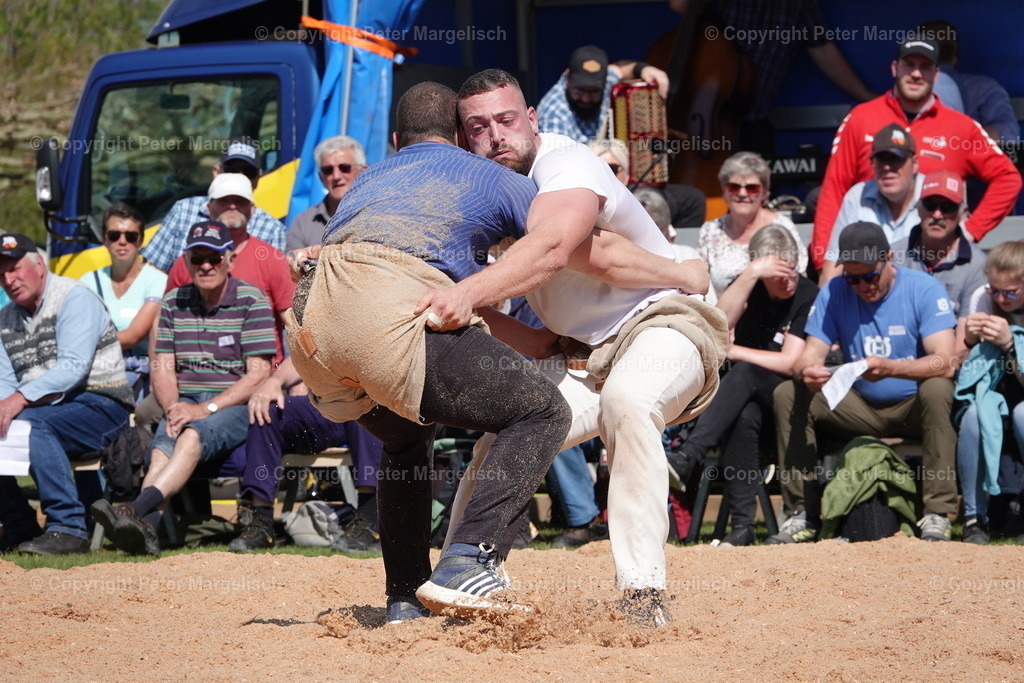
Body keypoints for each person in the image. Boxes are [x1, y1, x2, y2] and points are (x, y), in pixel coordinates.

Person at [424, 69, 725, 627]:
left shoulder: (567, 165)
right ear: (465, 138)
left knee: (629, 404)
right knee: (509, 435)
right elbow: (488, 303)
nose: (496, 136)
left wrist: (683, 274)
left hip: (667, 321)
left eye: (507, 120)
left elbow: (565, 250)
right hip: (584, 351)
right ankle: (465, 573)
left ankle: (643, 594)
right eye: (479, 126)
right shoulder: (482, 192)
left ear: (533, 120)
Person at [91, 222, 275, 556]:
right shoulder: (174, 301)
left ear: (229, 260)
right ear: (187, 262)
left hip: (233, 405)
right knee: (162, 446)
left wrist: (205, 409)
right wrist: (174, 406)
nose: (206, 265)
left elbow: (259, 374)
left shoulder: (253, 300)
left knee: (190, 435)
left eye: (214, 258)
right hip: (185, 400)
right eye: (198, 257)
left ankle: (134, 508)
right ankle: (146, 528)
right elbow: (162, 365)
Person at [771, 222, 958, 544]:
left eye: (870, 276)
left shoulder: (923, 289)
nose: (862, 286)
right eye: (853, 278)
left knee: (938, 387)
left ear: (889, 258)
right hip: (858, 406)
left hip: (913, 406)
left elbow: (945, 362)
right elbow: (808, 354)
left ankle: (938, 514)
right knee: (788, 392)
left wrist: (892, 369)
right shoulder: (834, 290)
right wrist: (807, 372)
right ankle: (801, 513)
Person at [811, 35, 1021, 270]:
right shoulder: (860, 119)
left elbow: (1008, 178)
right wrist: (822, 260)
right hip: (865, 266)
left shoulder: (961, 127)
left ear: (936, 74)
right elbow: (834, 188)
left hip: (931, 268)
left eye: (926, 67)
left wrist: (970, 231)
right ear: (894, 68)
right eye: (909, 65)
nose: (916, 74)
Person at [669, 226, 817, 546]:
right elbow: (719, 321)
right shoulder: (752, 286)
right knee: (743, 415)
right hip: (749, 402)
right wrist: (750, 274)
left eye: (792, 270)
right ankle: (742, 527)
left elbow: (791, 362)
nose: (788, 279)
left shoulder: (808, 294)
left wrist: (734, 351)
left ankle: (689, 455)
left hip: (791, 400)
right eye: (778, 273)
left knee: (745, 372)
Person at [0, 233, 133, 555]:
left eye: (16, 268)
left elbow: (73, 368)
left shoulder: (75, 297)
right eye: (1, 273)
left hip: (103, 404)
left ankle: (68, 526)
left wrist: (17, 402)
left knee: (30, 424)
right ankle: (19, 525)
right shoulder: (5, 319)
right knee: (15, 422)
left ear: (39, 265)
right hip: (46, 410)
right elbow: (4, 379)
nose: (9, 279)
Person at [666, 0, 875, 155]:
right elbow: (679, 5)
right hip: (703, 119)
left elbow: (822, 50)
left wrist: (866, 97)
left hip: (754, 121)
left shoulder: (798, 5)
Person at [226, 353, 383, 553]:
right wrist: (274, 381)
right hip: (326, 404)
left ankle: (370, 521)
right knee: (267, 411)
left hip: (370, 400)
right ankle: (261, 523)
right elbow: (303, 355)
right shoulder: (324, 322)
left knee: (366, 400)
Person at [164, 173, 295, 363]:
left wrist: (290, 378)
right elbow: (166, 327)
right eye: (224, 200)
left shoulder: (272, 260)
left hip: (261, 379)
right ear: (209, 208)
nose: (232, 206)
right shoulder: (187, 262)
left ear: (252, 209)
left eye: (240, 201)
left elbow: (296, 328)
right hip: (194, 379)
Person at [958, 242, 1024, 545]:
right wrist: (971, 341)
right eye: (995, 290)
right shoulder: (981, 298)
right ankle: (974, 516)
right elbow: (964, 367)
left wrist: (1011, 344)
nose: (1000, 298)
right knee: (973, 416)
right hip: (992, 390)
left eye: (1010, 292)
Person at [142, 137, 287, 271]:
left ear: (258, 179)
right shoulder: (183, 211)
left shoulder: (273, 230)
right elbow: (154, 273)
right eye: (232, 169)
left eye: (248, 171)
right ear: (217, 171)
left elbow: (276, 284)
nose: (239, 176)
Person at [892, 170, 987, 359]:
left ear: (963, 213)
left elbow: (962, 345)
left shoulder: (977, 264)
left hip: (946, 367)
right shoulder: (892, 255)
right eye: (930, 205)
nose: (937, 214)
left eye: (947, 207)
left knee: (937, 388)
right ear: (918, 209)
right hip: (894, 359)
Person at [80, 201, 167, 397]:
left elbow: (135, 335)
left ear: (140, 240)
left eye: (130, 236)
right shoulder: (87, 281)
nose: (122, 241)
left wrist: (83, 340)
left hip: (139, 375)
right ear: (104, 239)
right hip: (94, 372)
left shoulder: (158, 281)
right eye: (114, 235)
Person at [819, 124, 923, 283]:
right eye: (881, 160)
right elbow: (834, 263)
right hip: (866, 294)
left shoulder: (933, 195)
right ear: (872, 164)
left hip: (919, 294)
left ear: (915, 163)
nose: (888, 167)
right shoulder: (857, 196)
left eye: (896, 160)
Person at [699, 151, 807, 298]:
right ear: (724, 190)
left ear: (764, 191)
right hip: (724, 316)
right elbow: (701, 284)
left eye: (751, 188)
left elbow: (797, 276)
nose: (742, 193)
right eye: (734, 187)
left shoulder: (782, 226)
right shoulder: (711, 230)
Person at [536, 45, 669, 145]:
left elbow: (621, 69)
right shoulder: (554, 115)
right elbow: (561, 167)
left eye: (594, 91)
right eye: (580, 90)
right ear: (568, 79)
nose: (586, 98)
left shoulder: (606, 81)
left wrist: (644, 69)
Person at [921, 20, 1021, 145]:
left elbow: (1009, 132)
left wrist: (959, 144)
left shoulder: (983, 87)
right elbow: (1010, 132)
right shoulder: (985, 86)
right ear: (954, 59)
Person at [589, 139, 706, 230]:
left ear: (626, 175)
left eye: (612, 169)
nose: (605, 175)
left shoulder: (642, 204)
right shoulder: (580, 201)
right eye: (598, 168)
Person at [286, 135, 366, 252]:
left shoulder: (381, 214)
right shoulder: (303, 223)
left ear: (363, 171)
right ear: (321, 178)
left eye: (344, 168)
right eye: (328, 170)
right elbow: (293, 266)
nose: (336, 176)